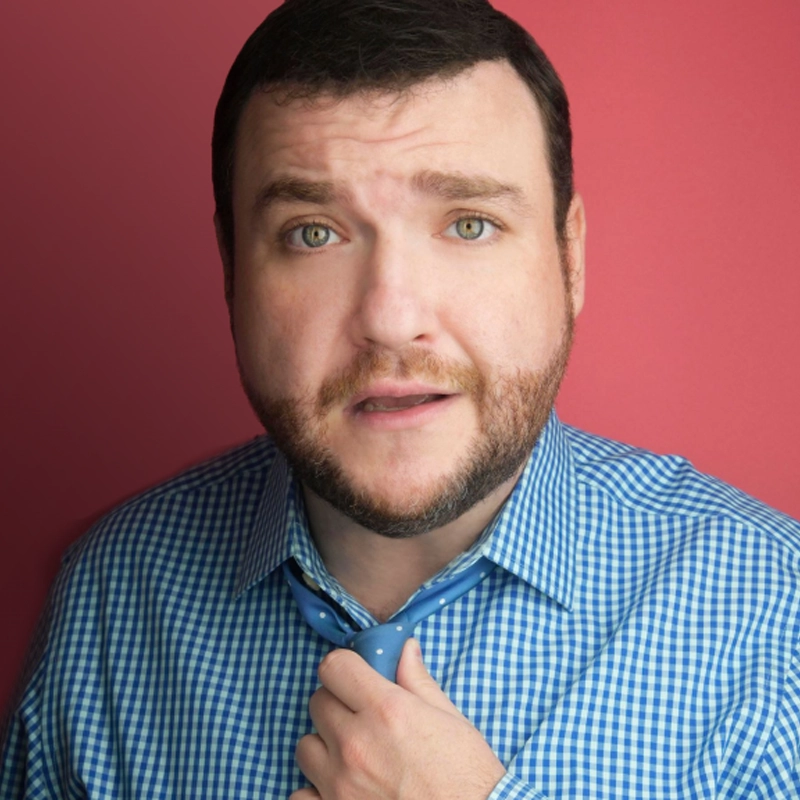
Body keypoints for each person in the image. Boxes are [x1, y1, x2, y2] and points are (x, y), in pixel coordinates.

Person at [2, 0, 799, 797]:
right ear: (232, 270)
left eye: (470, 225)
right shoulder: (112, 598)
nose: (390, 319)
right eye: (314, 233)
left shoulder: (773, 617)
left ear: (570, 257)